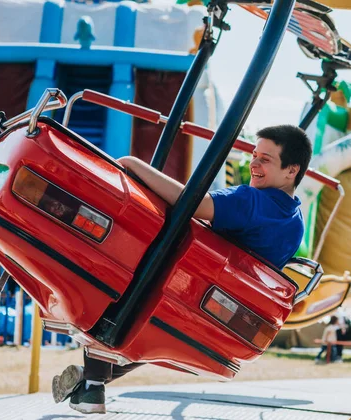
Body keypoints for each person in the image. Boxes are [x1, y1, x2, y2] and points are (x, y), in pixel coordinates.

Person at [52, 124, 312, 414]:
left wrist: (134, 166)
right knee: (151, 329)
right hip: (215, 311)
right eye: (254, 154)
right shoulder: (295, 218)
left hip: (190, 288)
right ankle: (89, 383)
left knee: (121, 268)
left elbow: (196, 204)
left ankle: (91, 383)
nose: (253, 164)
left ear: (291, 171)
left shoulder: (253, 201)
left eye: (265, 159)